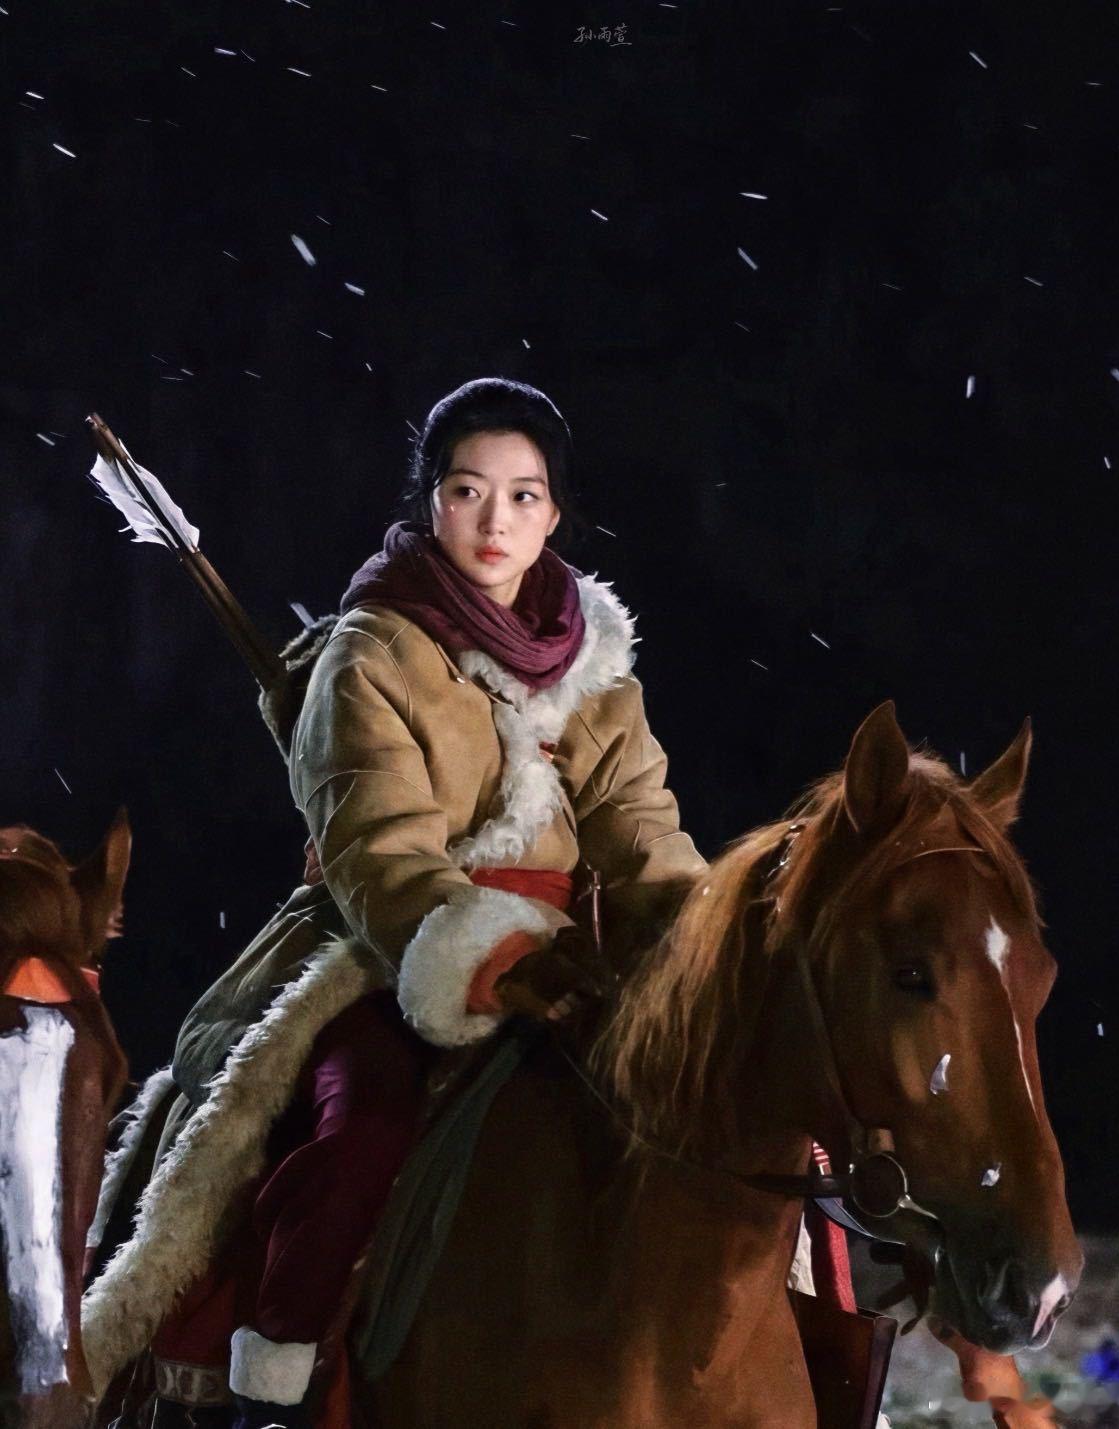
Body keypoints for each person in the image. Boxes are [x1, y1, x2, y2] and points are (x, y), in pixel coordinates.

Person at [89, 377, 708, 1428]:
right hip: (385, 950)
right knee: (360, 1127)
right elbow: (377, 845)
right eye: (468, 491)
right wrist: (484, 951)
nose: (494, 521)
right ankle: (275, 1383)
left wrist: (707, 939)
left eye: (522, 496)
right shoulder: (370, 650)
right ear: (432, 502)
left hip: (571, 953)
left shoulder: (598, 666)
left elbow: (641, 830)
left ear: (554, 514)